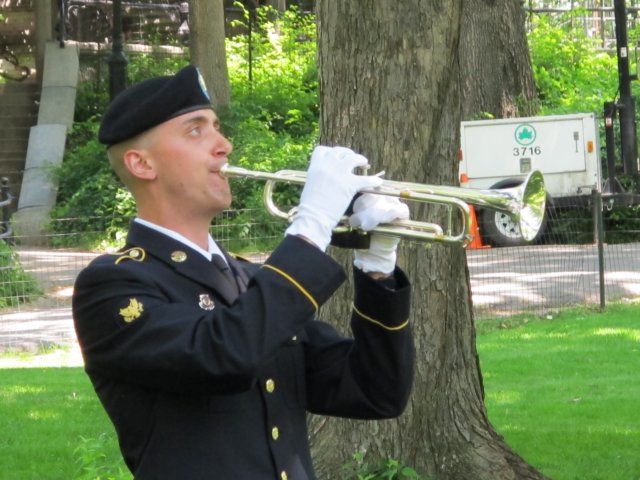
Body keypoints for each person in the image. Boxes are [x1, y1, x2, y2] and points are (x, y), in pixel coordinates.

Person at [72, 65, 414, 480]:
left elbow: (374, 392)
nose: (224, 144)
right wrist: (311, 225)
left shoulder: (248, 280)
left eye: (217, 127)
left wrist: (376, 267)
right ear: (141, 164)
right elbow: (223, 355)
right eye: (195, 130)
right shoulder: (113, 284)